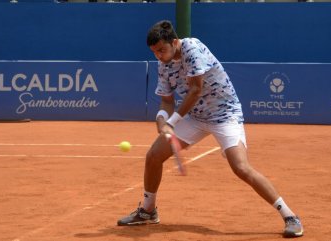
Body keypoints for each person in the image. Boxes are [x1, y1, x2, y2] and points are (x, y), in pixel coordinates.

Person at [117, 20, 304, 238]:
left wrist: (172, 122)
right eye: (154, 52)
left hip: (224, 114)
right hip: (195, 118)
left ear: (175, 42)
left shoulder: (192, 47)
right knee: (153, 156)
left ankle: (290, 216)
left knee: (241, 167)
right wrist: (161, 122)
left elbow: (196, 90)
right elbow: (166, 102)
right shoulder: (163, 65)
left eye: (161, 50)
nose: (158, 55)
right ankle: (148, 211)